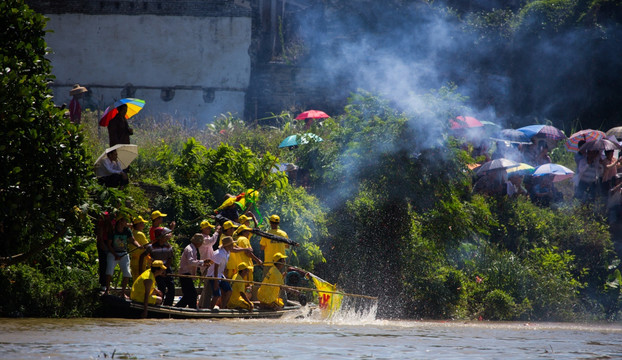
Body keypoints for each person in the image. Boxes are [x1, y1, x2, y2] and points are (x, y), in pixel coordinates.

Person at [104, 213, 143, 299]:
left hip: (124, 253)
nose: (127, 222)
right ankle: (107, 289)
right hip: (113, 253)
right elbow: (109, 245)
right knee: (109, 271)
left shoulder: (127, 230)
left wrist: (138, 245)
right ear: (120, 221)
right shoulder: (113, 231)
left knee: (127, 273)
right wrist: (115, 255)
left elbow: (132, 240)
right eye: (125, 221)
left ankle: (123, 292)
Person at [140, 227, 175, 306]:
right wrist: (141, 269)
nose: (166, 237)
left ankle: (168, 305)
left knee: (171, 287)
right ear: (160, 237)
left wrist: (165, 268)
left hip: (166, 267)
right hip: (156, 269)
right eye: (164, 236)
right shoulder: (151, 247)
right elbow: (142, 256)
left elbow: (170, 259)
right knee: (161, 287)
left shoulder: (168, 246)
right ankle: (159, 303)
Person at [176, 233, 211, 309]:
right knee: (192, 294)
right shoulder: (190, 249)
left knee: (188, 294)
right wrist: (202, 262)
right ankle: (192, 308)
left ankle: (180, 308)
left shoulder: (193, 249)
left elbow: (193, 262)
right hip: (184, 274)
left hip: (187, 274)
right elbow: (191, 262)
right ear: (198, 243)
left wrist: (203, 263)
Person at [207, 236, 235, 309]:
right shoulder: (219, 254)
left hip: (220, 274)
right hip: (213, 275)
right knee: (217, 294)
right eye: (232, 245)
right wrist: (216, 281)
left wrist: (225, 276)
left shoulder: (227, 253)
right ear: (227, 246)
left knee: (229, 291)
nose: (233, 246)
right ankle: (211, 309)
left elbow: (223, 267)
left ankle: (223, 307)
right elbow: (216, 268)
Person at [198, 220, 220, 308]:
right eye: (208, 228)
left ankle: (202, 304)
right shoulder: (202, 238)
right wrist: (217, 231)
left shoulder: (206, 236)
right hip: (205, 265)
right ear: (203, 229)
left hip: (209, 264)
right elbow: (212, 241)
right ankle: (204, 305)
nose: (210, 229)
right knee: (207, 287)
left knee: (207, 287)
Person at [96, 211, 113, 290]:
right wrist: (101, 242)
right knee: (103, 263)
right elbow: (100, 232)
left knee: (109, 263)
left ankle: (107, 283)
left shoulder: (115, 215)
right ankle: (103, 283)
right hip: (103, 242)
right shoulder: (104, 218)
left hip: (110, 242)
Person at [129, 216, 150, 280]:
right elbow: (147, 246)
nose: (143, 224)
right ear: (138, 224)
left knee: (135, 279)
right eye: (142, 223)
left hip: (133, 259)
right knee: (141, 278)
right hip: (141, 260)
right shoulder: (140, 234)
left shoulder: (131, 233)